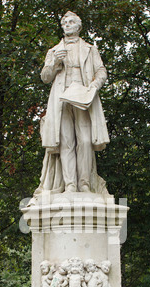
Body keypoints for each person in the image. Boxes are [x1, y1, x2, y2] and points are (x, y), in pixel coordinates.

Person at [35, 11, 110, 195]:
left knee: (85, 140)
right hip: (61, 98)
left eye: (71, 22)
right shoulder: (53, 51)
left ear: (78, 26)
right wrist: (54, 62)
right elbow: (45, 77)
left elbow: (101, 71)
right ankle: (70, 185)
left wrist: (93, 87)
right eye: (64, 22)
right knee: (66, 141)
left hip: (82, 96)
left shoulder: (90, 49)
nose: (67, 25)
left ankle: (84, 183)